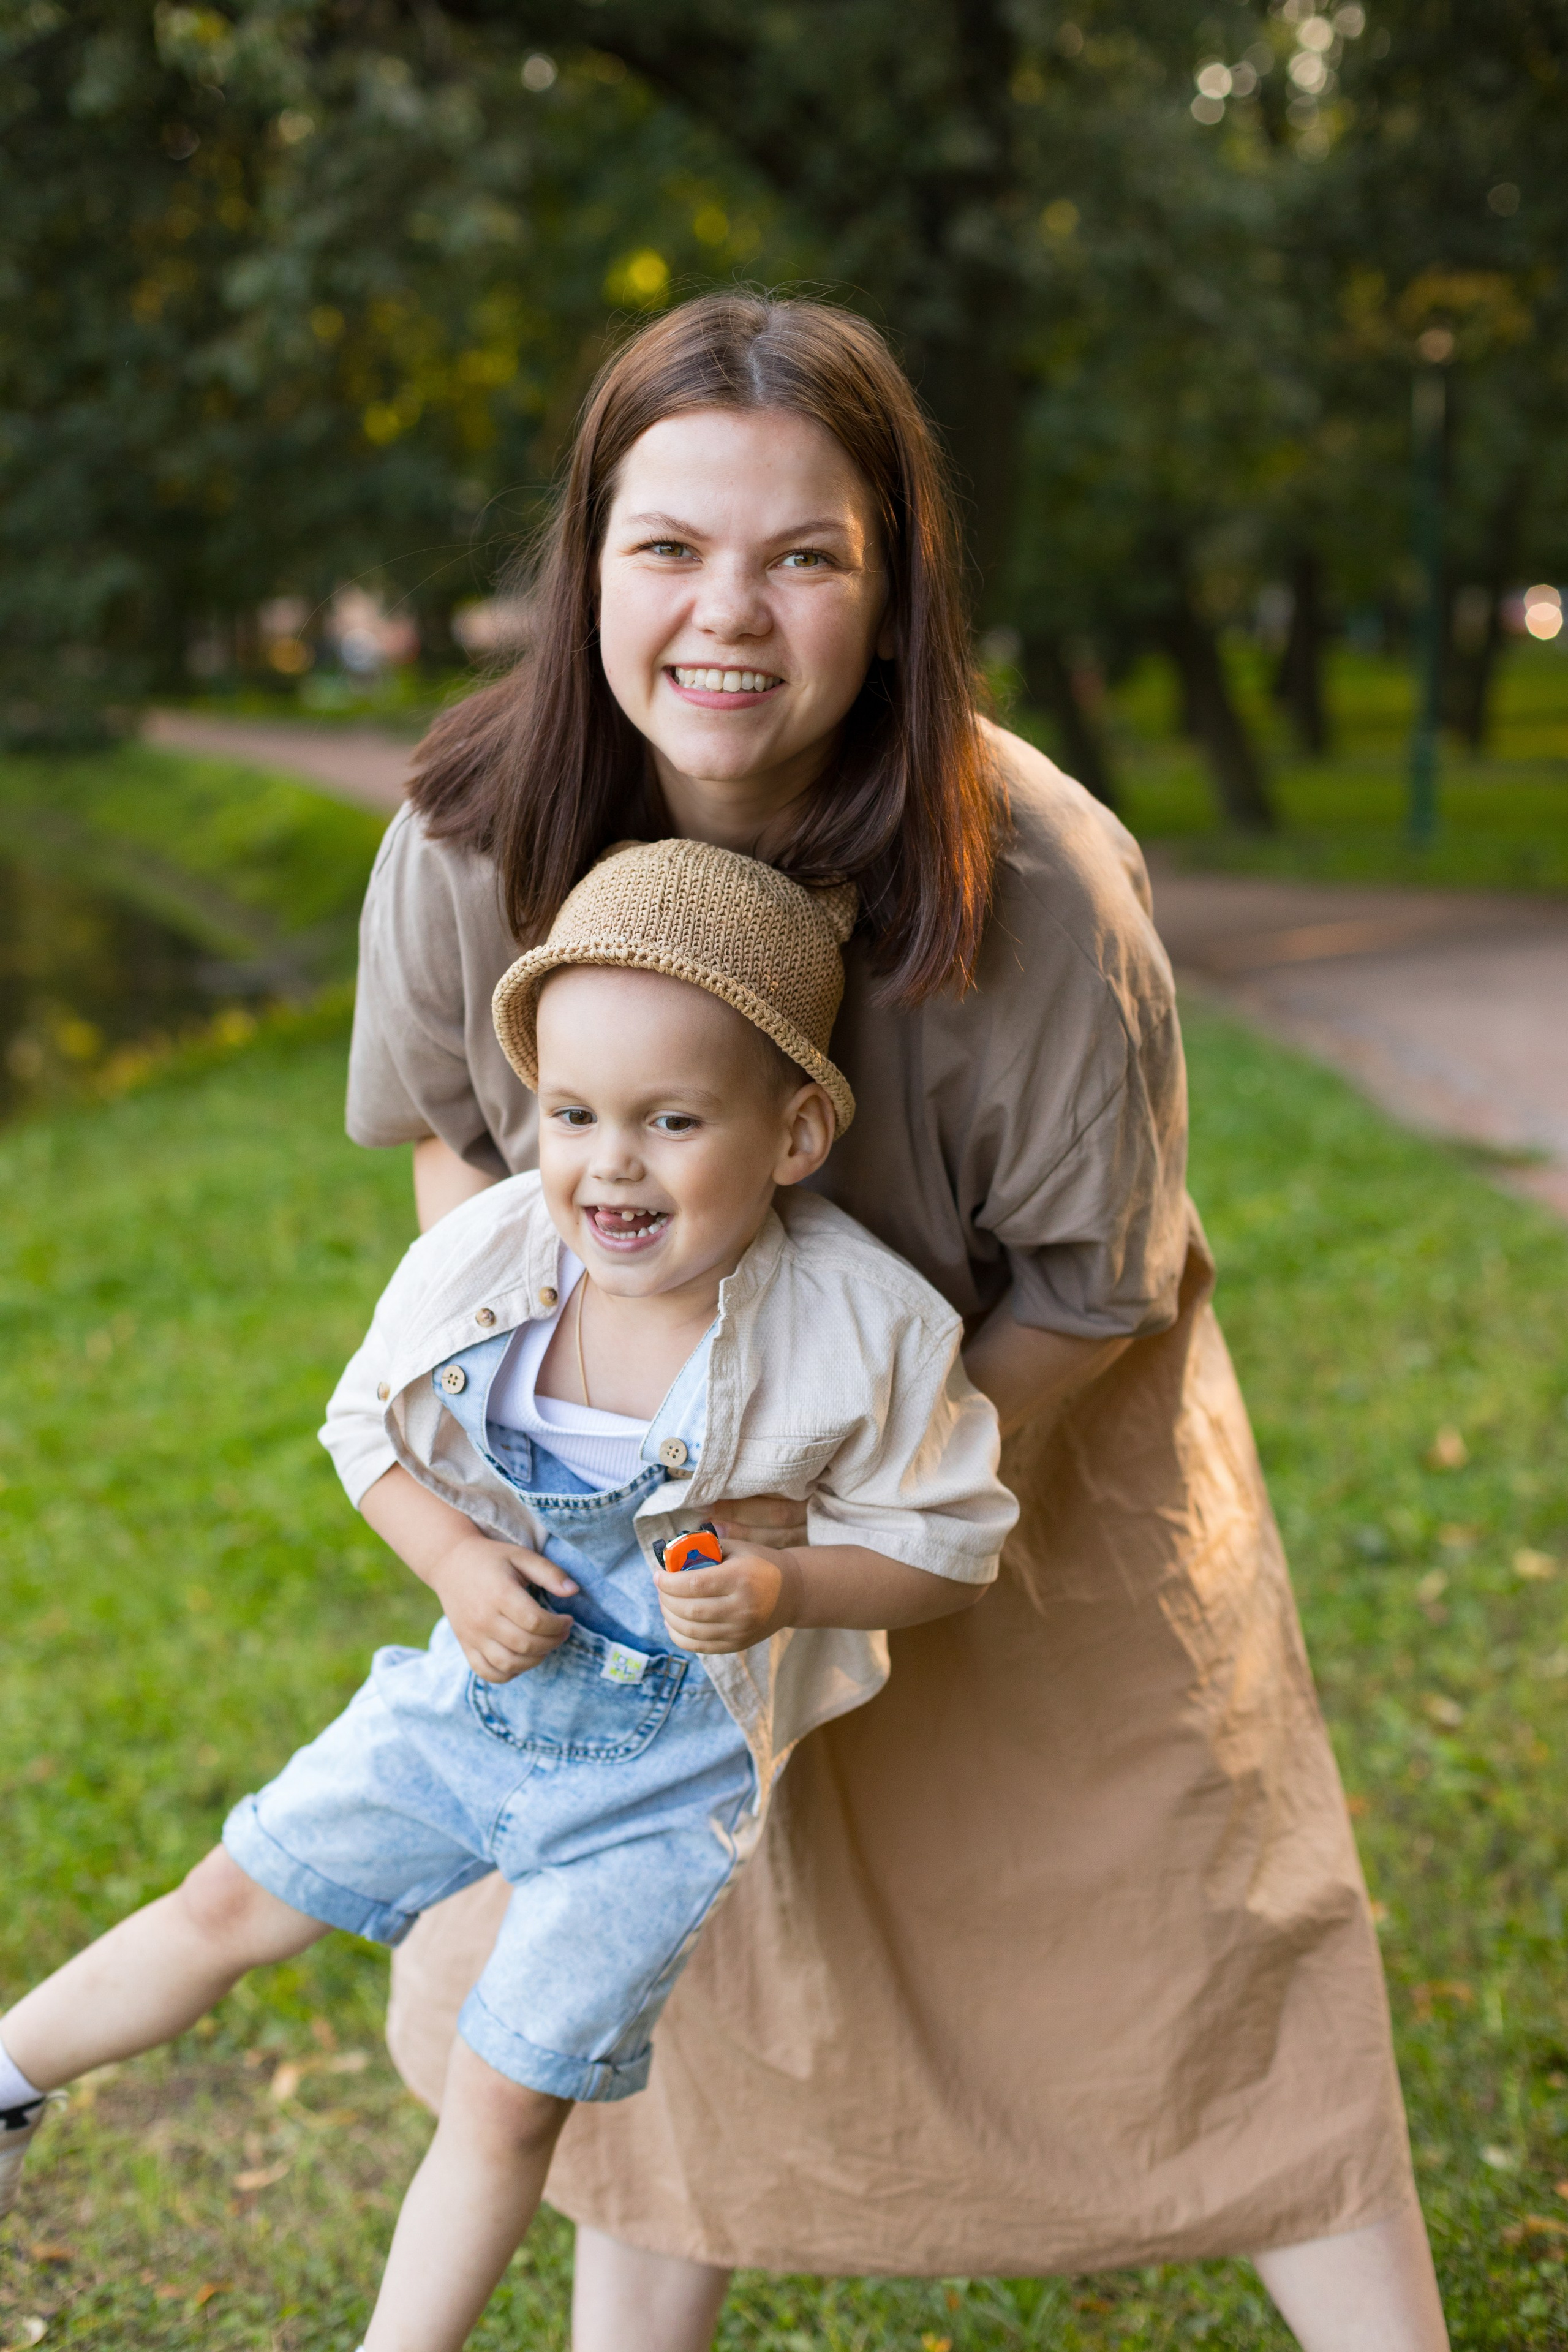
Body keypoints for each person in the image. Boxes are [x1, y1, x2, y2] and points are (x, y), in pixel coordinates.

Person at [346, 294, 1451, 2350]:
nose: (725, 618)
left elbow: (1096, 1286)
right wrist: (523, 1433)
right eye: (666, 547)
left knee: (1206, 1949)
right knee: (667, 1943)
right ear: (586, 555)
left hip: (1015, 1457)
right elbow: (447, 1147)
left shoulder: (1034, 874)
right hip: (655, 1504)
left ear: (898, 581)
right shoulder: (470, 834)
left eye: (804, 557)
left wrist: (869, 1525)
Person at [0, 841, 1016, 2352]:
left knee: (504, 2093)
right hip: (470, 1700)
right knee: (232, 1897)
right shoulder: (495, 1252)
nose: (610, 1165)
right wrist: (459, 1562)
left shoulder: (859, 1323)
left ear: (794, 1130)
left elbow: (950, 1544)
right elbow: (363, 1428)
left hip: (660, 1797)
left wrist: (789, 1583)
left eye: (672, 1122)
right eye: (574, 1114)